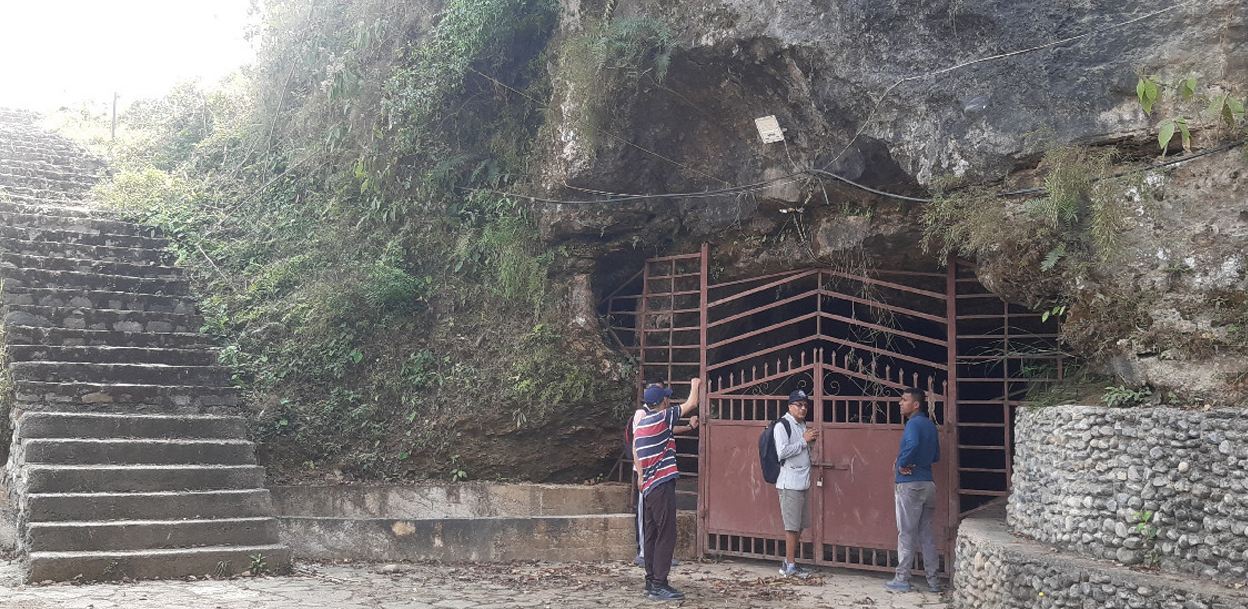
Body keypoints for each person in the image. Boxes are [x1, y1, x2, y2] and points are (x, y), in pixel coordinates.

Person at [633, 377, 702, 601]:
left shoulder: (644, 423)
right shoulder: (661, 418)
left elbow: (636, 448)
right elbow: (691, 404)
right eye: (667, 399)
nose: (669, 401)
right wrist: (696, 384)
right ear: (662, 403)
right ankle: (660, 584)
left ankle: (650, 581)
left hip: (650, 486)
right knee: (666, 534)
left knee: (652, 534)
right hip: (662, 486)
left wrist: (641, 477)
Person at [885, 387, 941, 593]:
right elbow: (936, 456)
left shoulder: (913, 424)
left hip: (910, 485)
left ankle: (902, 578)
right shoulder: (930, 426)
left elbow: (912, 443)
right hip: (929, 484)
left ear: (916, 405)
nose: (900, 403)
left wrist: (902, 463)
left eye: (904, 399)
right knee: (926, 533)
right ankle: (934, 581)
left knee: (906, 533)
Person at [775, 389, 818, 578]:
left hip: (803, 482)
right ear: (790, 406)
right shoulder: (782, 426)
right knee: (791, 527)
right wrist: (803, 441)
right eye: (799, 405)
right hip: (789, 482)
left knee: (800, 524)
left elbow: (803, 450)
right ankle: (789, 566)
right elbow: (781, 453)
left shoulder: (802, 425)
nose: (803, 409)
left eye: (805, 405)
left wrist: (810, 443)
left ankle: (789, 561)